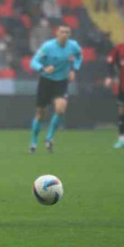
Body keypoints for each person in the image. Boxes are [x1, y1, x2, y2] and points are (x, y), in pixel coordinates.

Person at [28, 23, 82, 153]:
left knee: (60, 108)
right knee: (40, 113)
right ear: (57, 33)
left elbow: (79, 57)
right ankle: (34, 142)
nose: (64, 35)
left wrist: (74, 69)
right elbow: (33, 62)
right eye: (62, 32)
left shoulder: (73, 46)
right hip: (46, 81)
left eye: (67, 32)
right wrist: (43, 68)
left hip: (61, 82)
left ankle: (49, 137)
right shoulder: (48, 47)